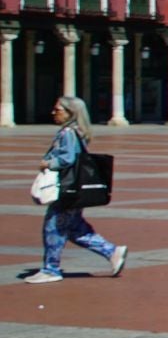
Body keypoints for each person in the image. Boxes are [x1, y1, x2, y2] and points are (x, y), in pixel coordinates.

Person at [25, 97, 127, 285]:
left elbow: (68, 159)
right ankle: (111, 251)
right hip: (74, 188)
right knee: (75, 229)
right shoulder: (77, 132)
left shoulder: (67, 133)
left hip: (66, 190)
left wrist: (48, 163)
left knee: (53, 228)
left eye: (58, 110)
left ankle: (51, 269)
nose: (53, 113)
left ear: (70, 113)